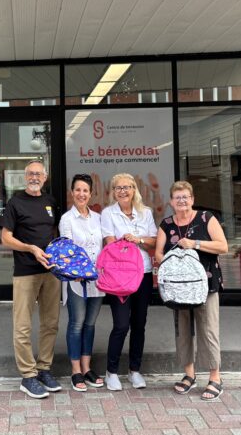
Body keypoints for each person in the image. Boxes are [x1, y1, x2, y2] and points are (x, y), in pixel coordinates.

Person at [155, 180, 228, 401]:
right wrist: (172, 262)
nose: (182, 201)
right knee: (183, 331)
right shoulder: (167, 224)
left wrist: (195, 244)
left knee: (208, 330)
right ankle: (189, 375)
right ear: (171, 202)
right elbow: (158, 253)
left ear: (192, 199)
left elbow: (223, 246)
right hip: (179, 288)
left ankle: (215, 378)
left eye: (186, 197)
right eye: (177, 198)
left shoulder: (206, 218)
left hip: (206, 285)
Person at [0, 159, 61, 399]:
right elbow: (6, 238)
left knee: (51, 323)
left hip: (51, 272)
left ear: (45, 178)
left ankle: (44, 368)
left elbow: (54, 231)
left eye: (39, 174)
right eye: (31, 174)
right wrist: (31, 248)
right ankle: (28, 375)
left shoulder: (50, 202)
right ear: (25, 177)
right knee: (23, 326)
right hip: (26, 271)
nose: (35, 177)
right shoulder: (16, 202)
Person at [100, 172, 157, 391]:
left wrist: (138, 239)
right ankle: (111, 372)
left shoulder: (146, 213)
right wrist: (129, 244)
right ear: (113, 192)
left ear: (134, 189)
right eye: (118, 188)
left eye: (127, 187)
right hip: (119, 277)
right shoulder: (108, 214)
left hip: (143, 273)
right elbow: (110, 244)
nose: (123, 191)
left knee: (139, 324)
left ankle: (134, 370)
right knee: (121, 324)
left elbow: (152, 242)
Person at [58, 173, 105, 392]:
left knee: (90, 324)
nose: (81, 194)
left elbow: (104, 247)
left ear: (90, 193)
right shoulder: (67, 219)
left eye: (85, 190)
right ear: (72, 192)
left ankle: (87, 368)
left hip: (97, 280)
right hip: (77, 281)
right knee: (76, 323)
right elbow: (66, 251)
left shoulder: (98, 218)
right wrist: (74, 272)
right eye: (78, 190)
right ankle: (75, 370)